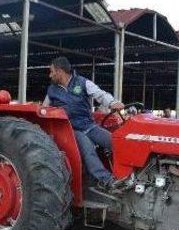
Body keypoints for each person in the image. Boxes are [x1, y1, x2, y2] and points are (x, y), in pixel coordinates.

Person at [43, 56, 124, 194]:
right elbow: (44, 110)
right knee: (88, 149)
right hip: (70, 130)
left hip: (89, 126)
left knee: (117, 142)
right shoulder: (51, 90)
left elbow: (100, 95)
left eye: (52, 71)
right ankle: (107, 181)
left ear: (59, 71)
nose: (50, 75)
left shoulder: (82, 83)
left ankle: (127, 176)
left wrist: (112, 103)